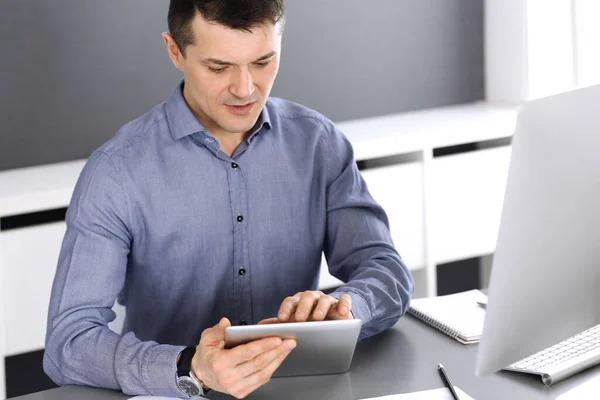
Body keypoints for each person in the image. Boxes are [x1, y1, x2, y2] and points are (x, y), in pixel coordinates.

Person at [43, 0, 414, 398]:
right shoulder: (117, 170)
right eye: (218, 67)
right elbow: (69, 343)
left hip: (303, 389)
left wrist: (346, 307)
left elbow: (387, 270)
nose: (245, 89)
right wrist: (190, 367)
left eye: (263, 62)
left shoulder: (318, 144)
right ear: (175, 51)